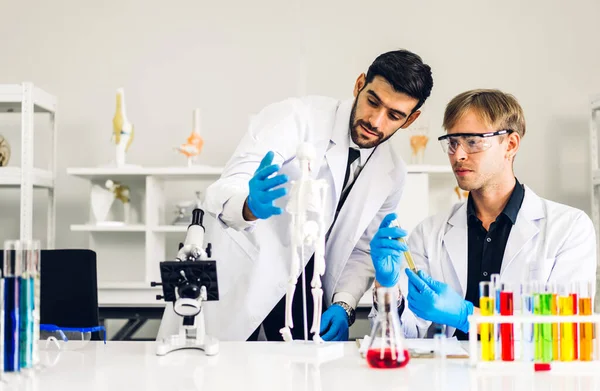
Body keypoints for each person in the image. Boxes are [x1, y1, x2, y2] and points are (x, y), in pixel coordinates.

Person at [198, 49, 433, 341]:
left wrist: (344, 303)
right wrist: (248, 205)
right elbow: (229, 184)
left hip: (308, 294)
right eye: (373, 101)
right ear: (359, 84)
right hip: (244, 277)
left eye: (394, 115)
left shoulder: (393, 172)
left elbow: (361, 250)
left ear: (410, 120)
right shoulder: (296, 117)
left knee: (299, 382)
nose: (376, 121)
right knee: (218, 380)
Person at [370, 89, 597, 338]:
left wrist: (466, 316)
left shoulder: (568, 228)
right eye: (453, 143)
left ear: (510, 144)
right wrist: (388, 288)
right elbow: (401, 335)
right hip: (446, 375)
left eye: (473, 142)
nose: (458, 155)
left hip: (526, 376)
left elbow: (565, 333)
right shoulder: (428, 234)